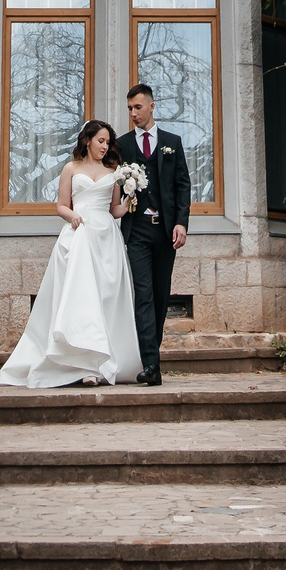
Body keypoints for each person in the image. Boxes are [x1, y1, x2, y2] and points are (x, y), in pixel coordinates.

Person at [0, 119, 141, 387]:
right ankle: (82, 363)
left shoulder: (113, 170)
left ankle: (103, 363)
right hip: (80, 235)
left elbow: (114, 210)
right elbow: (61, 205)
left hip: (106, 238)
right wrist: (72, 215)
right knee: (82, 298)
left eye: (108, 142)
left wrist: (127, 202)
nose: (105, 146)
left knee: (105, 297)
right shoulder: (71, 168)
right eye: (100, 141)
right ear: (87, 141)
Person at [113, 82, 189, 387]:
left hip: (166, 231)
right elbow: (113, 185)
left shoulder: (172, 143)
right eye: (129, 109)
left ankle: (151, 356)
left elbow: (182, 185)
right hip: (138, 231)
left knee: (160, 295)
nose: (133, 113)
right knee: (143, 295)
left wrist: (181, 222)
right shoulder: (122, 145)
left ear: (151, 106)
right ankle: (151, 365)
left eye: (138, 107)